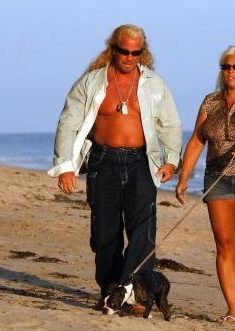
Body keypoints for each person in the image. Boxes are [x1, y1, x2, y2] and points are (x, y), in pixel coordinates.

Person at [48, 24, 182, 307]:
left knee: (143, 233)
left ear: (142, 52)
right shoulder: (91, 82)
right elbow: (68, 122)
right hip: (102, 161)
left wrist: (171, 160)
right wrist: (65, 166)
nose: (130, 57)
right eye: (124, 51)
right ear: (113, 48)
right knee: (105, 234)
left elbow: (170, 123)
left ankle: (131, 290)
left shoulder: (154, 84)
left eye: (136, 52)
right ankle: (110, 291)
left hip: (141, 162)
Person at [175, 45, 235, 323]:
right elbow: (197, 141)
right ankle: (233, 310)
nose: (230, 71)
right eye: (226, 67)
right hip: (217, 179)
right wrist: (184, 177)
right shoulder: (210, 102)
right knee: (225, 245)